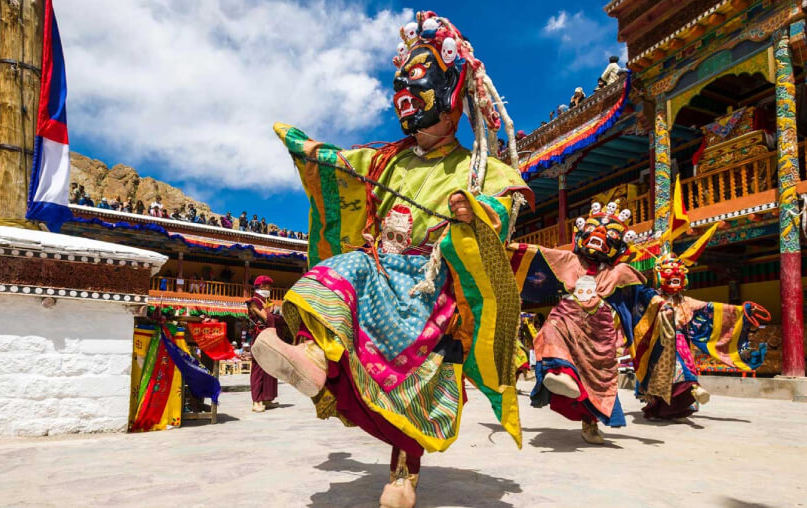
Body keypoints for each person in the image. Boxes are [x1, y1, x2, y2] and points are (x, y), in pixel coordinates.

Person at [251, 12, 532, 507]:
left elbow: (504, 209)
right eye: (401, 78)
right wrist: (307, 147)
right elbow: (340, 163)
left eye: (419, 75)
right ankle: (313, 356)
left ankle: (404, 473)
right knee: (347, 268)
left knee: (415, 387)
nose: (404, 86)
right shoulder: (386, 159)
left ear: (452, 90)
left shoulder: (480, 168)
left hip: (432, 288)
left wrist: (475, 212)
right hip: (380, 269)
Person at [631, 187, 769, 420]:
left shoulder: (686, 300)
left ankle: (691, 391)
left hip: (680, 339)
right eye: (669, 274)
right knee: (658, 375)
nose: (674, 278)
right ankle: (666, 403)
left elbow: (711, 308)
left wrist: (741, 311)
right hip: (657, 341)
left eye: (677, 274)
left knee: (683, 367)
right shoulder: (651, 297)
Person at [517, 202, 649, 445]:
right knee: (550, 330)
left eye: (609, 234)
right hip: (567, 314)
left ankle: (590, 424)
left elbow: (643, 296)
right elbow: (534, 255)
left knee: (597, 377)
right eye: (593, 229)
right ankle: (561, 374)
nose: (599, 235)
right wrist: (503, 248)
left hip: (599, 330)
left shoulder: (619, 272)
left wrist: (661, 303)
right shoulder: (569, 260)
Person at [248, 275, 279, 413]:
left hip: (270, 337)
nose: (269, 289)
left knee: (270, 368)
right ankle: (256, 401)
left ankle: (267, 398)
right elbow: (266, 317)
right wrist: (274, 313)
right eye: (267, 286)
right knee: (259, 368)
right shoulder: (254, 302)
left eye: (269, 286)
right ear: (260, 286)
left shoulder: (267, 302)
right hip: (259, 337)